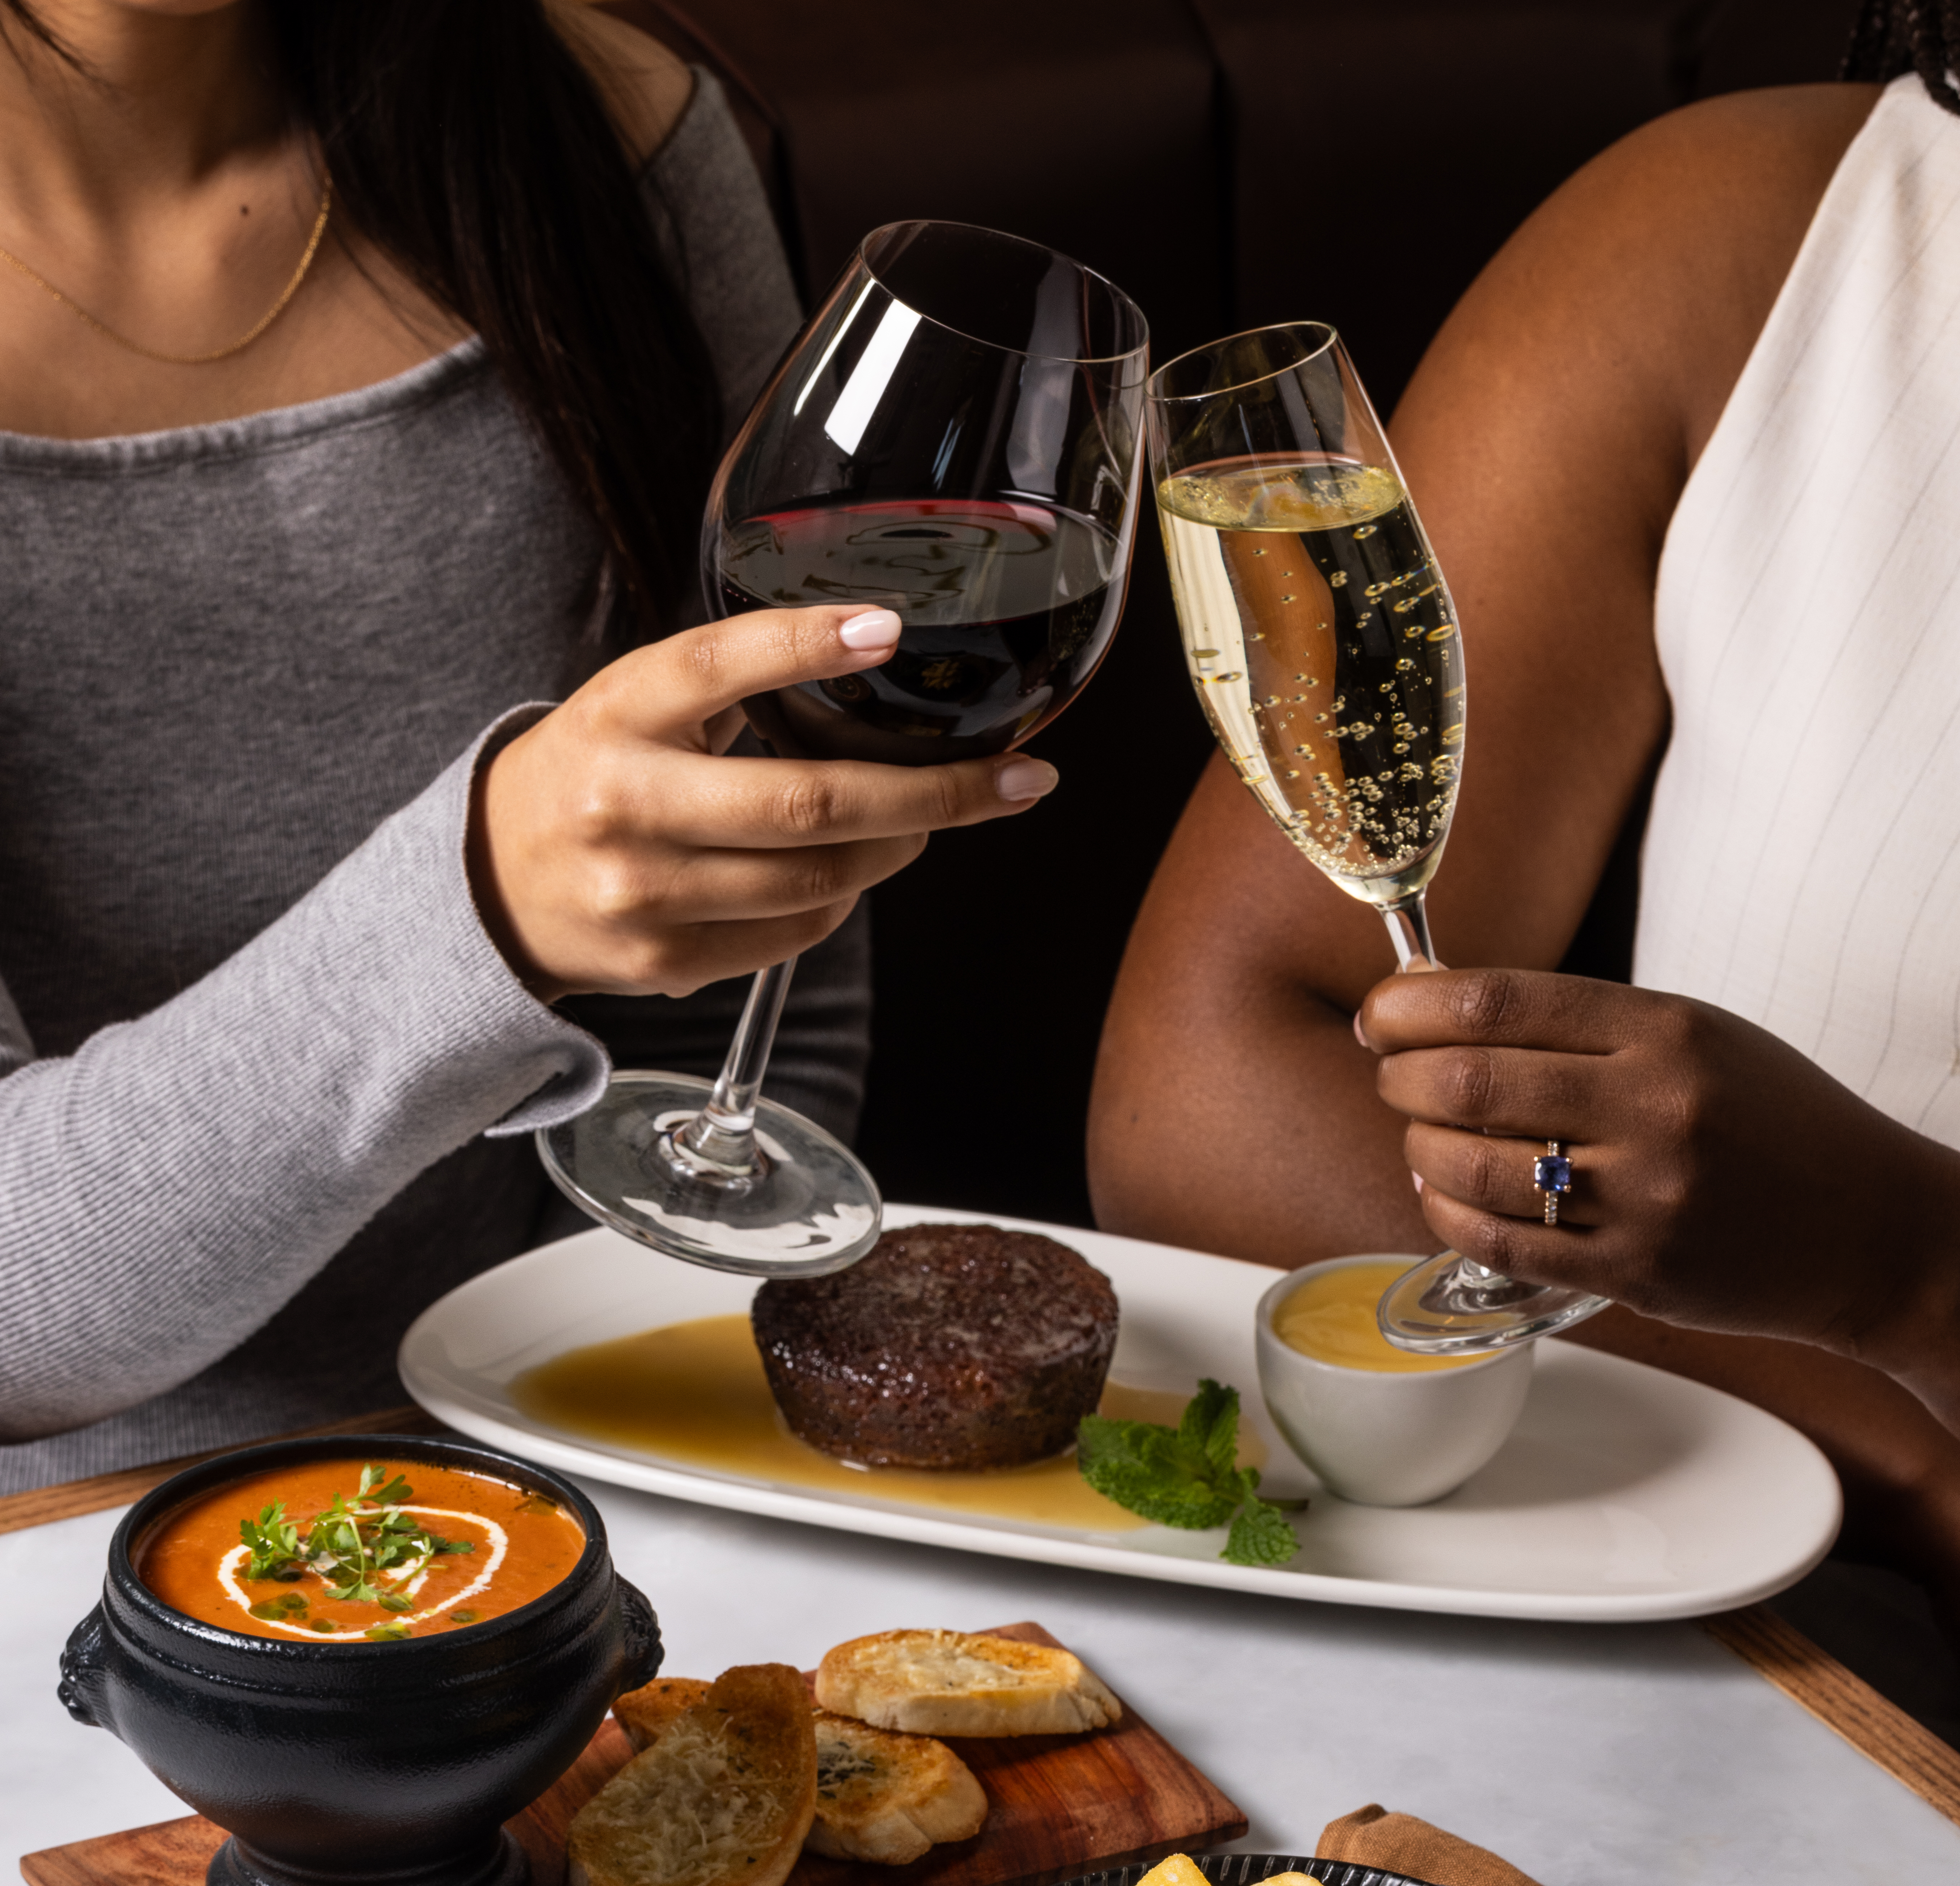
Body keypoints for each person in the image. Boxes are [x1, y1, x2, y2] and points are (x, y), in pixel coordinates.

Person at [0, 0, 1058, 1491]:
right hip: (72, 1562)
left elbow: (755, 972)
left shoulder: (605, 126)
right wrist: (476, 910)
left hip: (584, 1457)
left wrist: (587, 1456)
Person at [1089, 6, 1960, 1668]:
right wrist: (1894, 1432)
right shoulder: (1755, 231)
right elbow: (1200, 1089)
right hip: (1766, 1619)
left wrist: (1909, 1272)